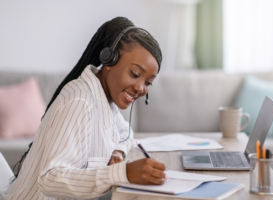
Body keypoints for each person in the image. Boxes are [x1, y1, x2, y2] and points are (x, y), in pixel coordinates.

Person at [3, 17, 166, 200]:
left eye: (148, 83)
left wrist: (118, 152)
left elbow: (125, 133)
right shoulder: (80, 101)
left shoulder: (105, 98)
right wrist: (123, 173)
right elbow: (50, 179)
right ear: (109, 60)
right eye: (135, 74)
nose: (140, 88)